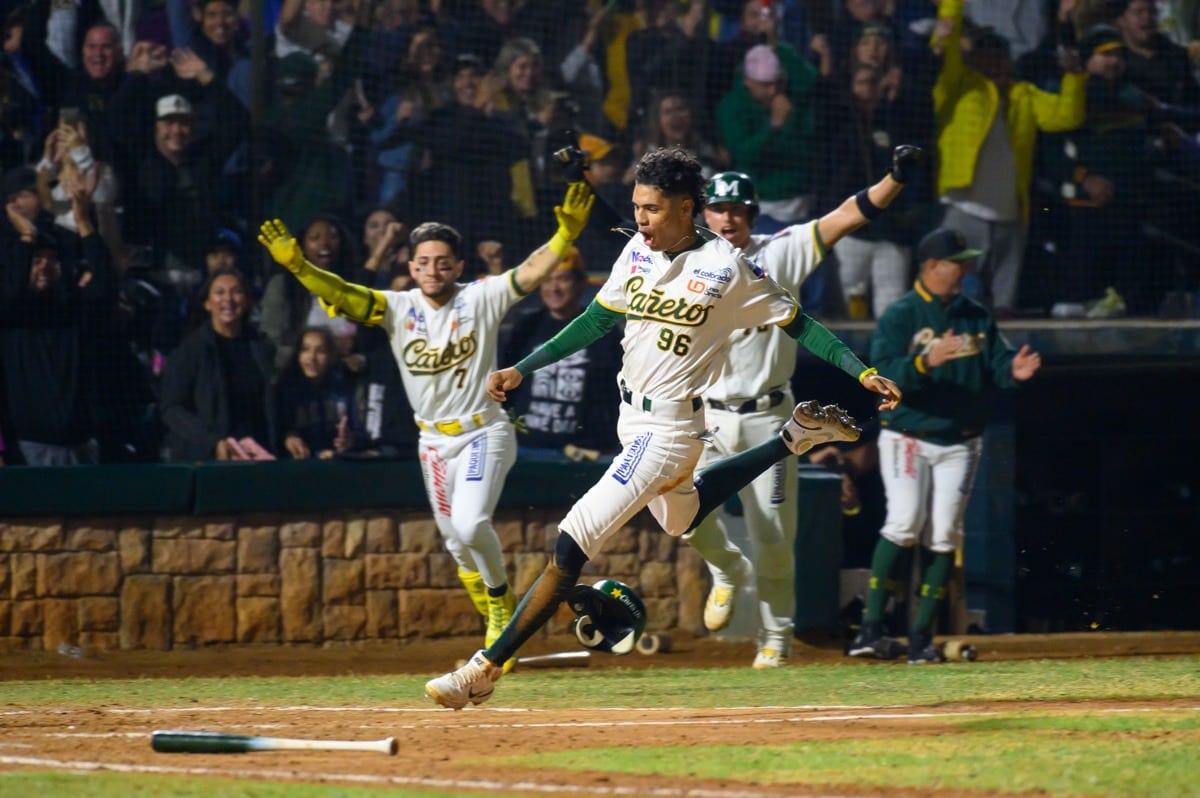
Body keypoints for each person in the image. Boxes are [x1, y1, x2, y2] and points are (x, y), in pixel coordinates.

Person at [423, 146, 902, 709]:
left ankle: (483, 669)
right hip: (641, 421)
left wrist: (861, 370)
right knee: (684, 516)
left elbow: (800, 323)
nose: (641, 218)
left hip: (668, 430)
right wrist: (522, 368)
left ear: (686, 208)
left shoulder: (730, 267)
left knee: (569, 542)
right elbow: (598, 319)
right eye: (636, 207)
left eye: (651, 208)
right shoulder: (638, 249)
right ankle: (792, 438)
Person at [257, 180, 596, 659]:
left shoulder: (480, 297)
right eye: (423, 262)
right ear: (411, 266)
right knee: (457, 544)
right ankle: (489, 608)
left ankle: (502, 606)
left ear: (458, 266)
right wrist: (298, 266)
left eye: (443, 262)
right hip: (433, 443)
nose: (433, 269)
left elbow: (530, 272)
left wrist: (564, 238)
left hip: (484, 429)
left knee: (471, 521)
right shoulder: (399, 307)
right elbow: (346, 294)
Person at [685, 144, 921, 669]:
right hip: (708, 416)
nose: (729, 217)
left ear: (753, 213)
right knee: (680, 510)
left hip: (770, 418)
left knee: (772, 539)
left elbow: (845, 216)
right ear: (705, 213)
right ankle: (726, 569)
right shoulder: (686, 262)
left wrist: (895, 179)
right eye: (720, 208)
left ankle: (777, 639)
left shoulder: (780, 251)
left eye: (739, 209)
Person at [848, 227, 1041, 664]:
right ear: (932, 266)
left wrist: (1015, 370)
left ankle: (921, 638)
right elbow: (882, 372)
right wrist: (924, 361)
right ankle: (870, 630)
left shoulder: (975, 314)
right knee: (903, 523)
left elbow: (997, 362)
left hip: (960, 440)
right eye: (958, 262)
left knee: (944, 534)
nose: (966, 269)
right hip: (909, 434)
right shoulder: (901, 314)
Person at [931, 0, 1087, 315]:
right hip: (965, 205)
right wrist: (950, 11)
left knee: (1003, 303)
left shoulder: (1024, 94)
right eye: (986, 54)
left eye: (1000, 54)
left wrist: (1073, 78)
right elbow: (948, 49)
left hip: (1011, 210)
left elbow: (1065, 117)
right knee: (953, 292)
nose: (994, 61)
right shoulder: (959, 87)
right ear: (973, 58)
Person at [500, 248, 621, 458]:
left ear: (581, 283)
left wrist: (606, 444)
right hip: (525, 449)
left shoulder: (602, 330)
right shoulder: (526, 327)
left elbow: (614, 394)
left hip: (580, 454)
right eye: (547, 280)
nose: (554, 288)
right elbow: (505, 386)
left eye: (563, 279)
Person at [159, 266, 275, 461]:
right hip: (211, 458)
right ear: (207, 303)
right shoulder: (191, 350)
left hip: (257, 454)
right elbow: (172, 408)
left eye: (236, 292)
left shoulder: (261, 346)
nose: (228, 299)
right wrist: (213, 443)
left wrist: (286, 434)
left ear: (246, 300)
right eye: (219, 293)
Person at [271, 326, 362, 459]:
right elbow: (276, 433)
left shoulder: (343, 387)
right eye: (305, 350)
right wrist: (288, 438)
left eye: (321, 351)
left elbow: (359, 431)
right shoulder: (285, 389)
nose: (312, 358)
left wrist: (351, 440)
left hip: (338, 464)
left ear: (331, 356)